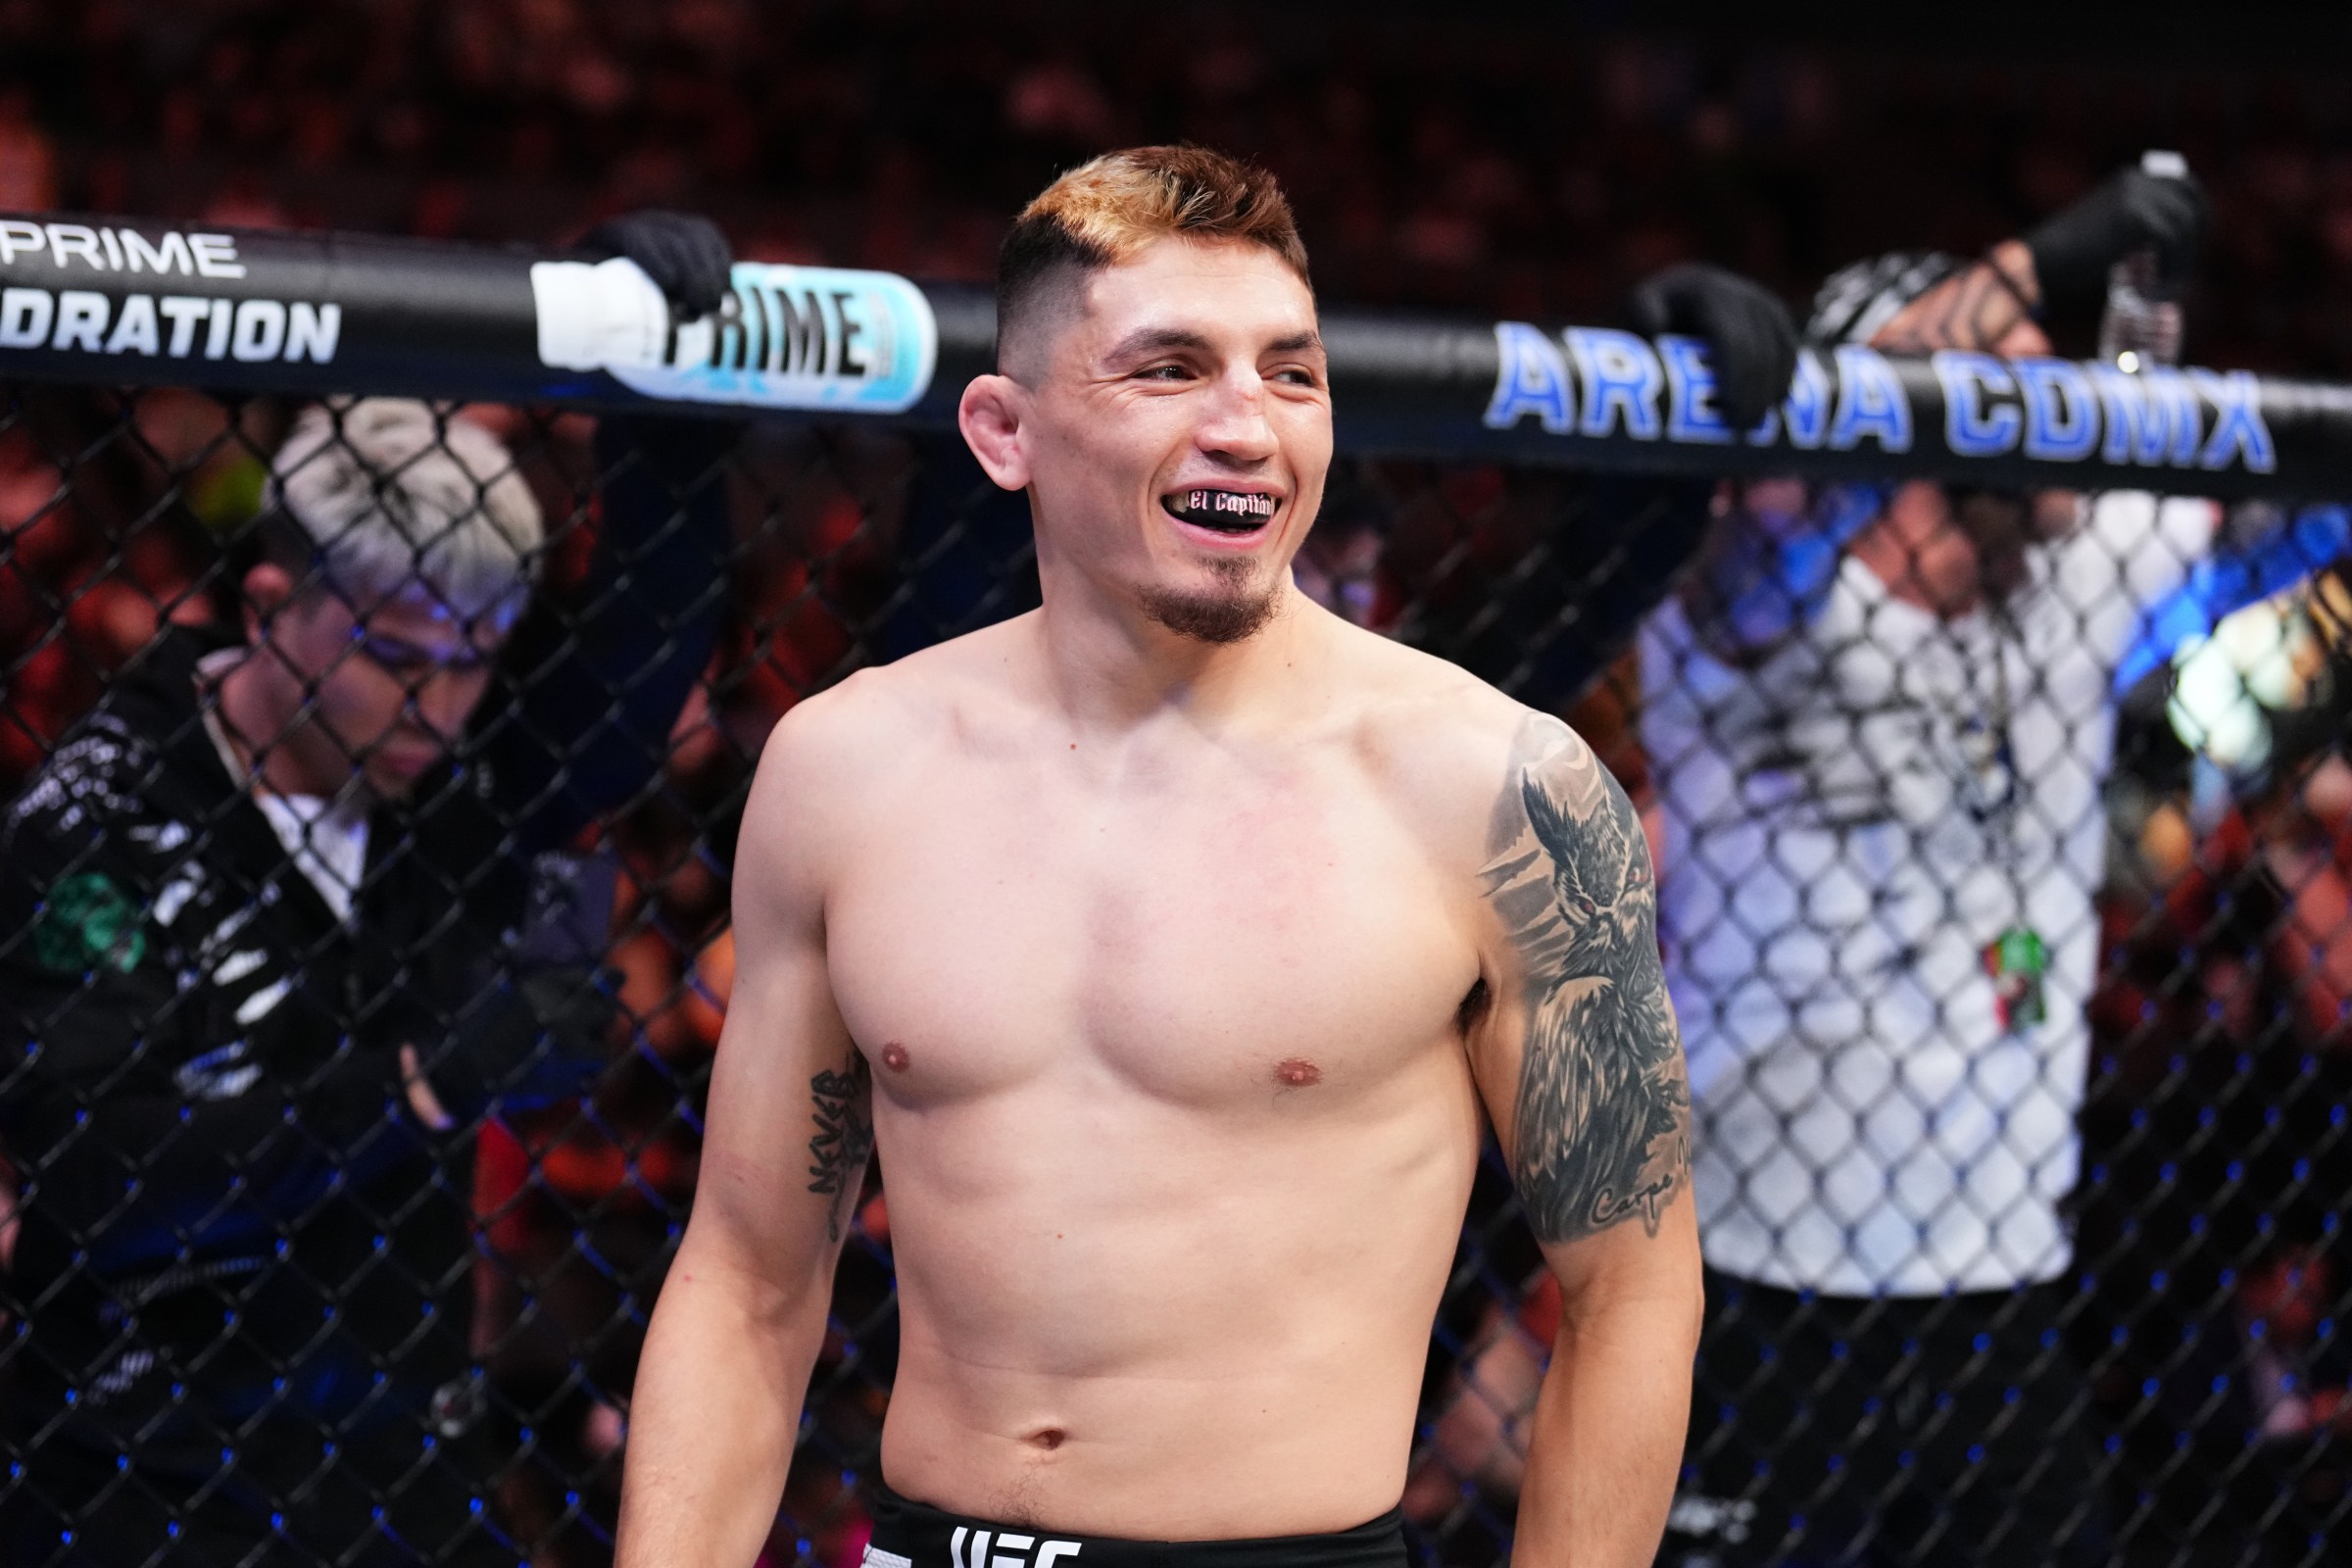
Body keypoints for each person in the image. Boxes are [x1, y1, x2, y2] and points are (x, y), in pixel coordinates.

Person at [615, 145, 1722, 1568]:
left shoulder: (1497, 788)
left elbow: (1632, 1293)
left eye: (1292, 373)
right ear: (1004, 433)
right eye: (1171, 369)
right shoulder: (846, 768)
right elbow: (748, 1283)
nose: (1248, 425)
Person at [0, 214, 737, 1566]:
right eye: (397, 658)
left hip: (400, 1467)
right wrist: (419, 1089)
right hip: (133, 1478)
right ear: (270, 603)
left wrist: (643, 372)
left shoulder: (453, 777)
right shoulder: (97, 822)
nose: (437, 706)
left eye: (472, 661)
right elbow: (97, 1183)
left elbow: (643, 653)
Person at [1639, 162, 2300, 1566]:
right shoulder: (1748, 607)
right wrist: (2050, 252)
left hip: (2000, 1297)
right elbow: (1818, 452)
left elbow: (2278, 488)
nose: (2062, 406)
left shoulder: (2067, 575)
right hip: (1759, 1283)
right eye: (2019, 382)